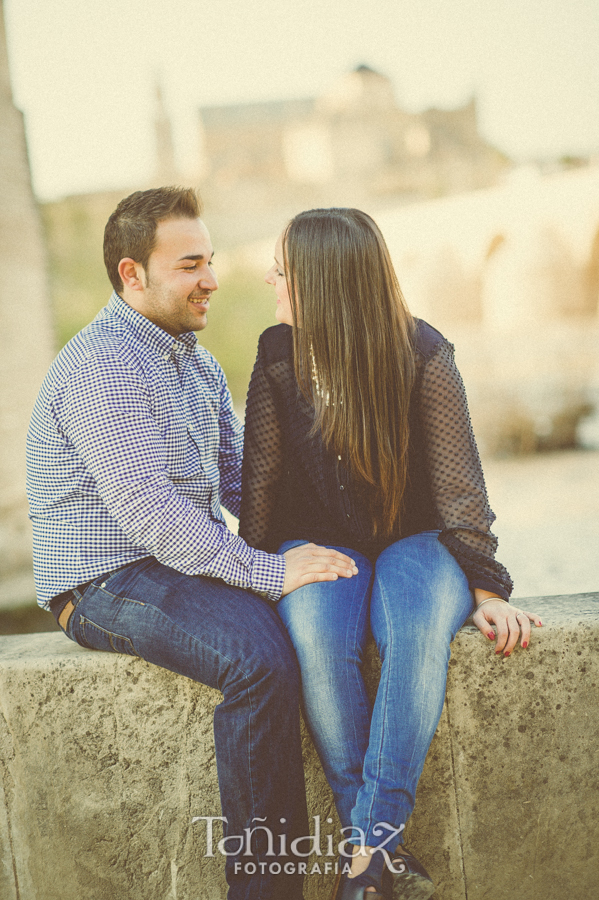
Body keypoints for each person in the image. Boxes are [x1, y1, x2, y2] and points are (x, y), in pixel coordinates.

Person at [26, 187, 359, 900]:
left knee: (306, 625)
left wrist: (341, 542)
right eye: (188, 265)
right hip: (104, 580)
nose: (210, 279)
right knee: (257, 660)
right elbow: (149, 512)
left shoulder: (195, 362)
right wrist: (269, 572)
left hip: (174, 562)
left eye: (208, 260)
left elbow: (243, 484)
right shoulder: (103, 366)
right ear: (131, 275)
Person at [239, 207, 542, 900]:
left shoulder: (424, 351)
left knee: (411, 635)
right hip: (315, 544)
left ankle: (365, 849)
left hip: (419, 541)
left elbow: (460, 487)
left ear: (322, 278)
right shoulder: (276, 352)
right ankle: (375, 860)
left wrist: (488, 591)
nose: (267, 279)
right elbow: (260, 479)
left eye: (281, 271)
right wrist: (253, 575)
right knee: (318, 641)